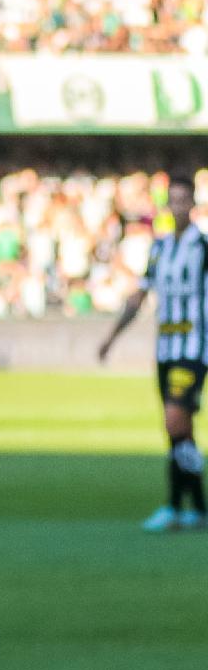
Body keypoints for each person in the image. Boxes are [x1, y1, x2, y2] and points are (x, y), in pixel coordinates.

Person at [98, 173, 207, 531]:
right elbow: (139, 296)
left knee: (174, 420)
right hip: (165, 348)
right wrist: (112, 336)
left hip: (193, 348)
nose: (177, 207)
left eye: (182, 200)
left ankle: (175, 507)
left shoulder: (203, 248)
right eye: (172, 200)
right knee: (179, 432)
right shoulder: (160, 248)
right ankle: (199, 508)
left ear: (192, 204)